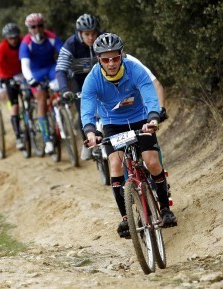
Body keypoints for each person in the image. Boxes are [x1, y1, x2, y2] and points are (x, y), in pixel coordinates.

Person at [81, 33, 177, 238]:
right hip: (112, 124)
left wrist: (153, 118)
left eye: (115, 58)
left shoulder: (134, 69)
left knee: (151, 162)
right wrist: (90, 132)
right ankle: (126, 219)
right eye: (106, 59)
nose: (111, 63)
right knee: (115, 164)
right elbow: (87, 110)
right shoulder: (92, 79)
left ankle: (166, 210)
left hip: (140, 119)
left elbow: (150, 95)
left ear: (121, 55)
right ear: (99, 59)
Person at [56, 13, 101, 161]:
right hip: (79, 80)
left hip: (100, 78)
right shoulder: (70, 45)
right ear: (79, 33)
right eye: (87, 34)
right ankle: (87, 142)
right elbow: (61, 69)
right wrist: (64, 90)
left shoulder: (102, 40)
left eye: (93, 33)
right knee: (84, 108)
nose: (91, 37)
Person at [19, 13, 63, 154]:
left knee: (61, 87)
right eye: (33, 27)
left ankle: (65, 114)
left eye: (40, 26)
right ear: (29, 28)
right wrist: (30, 80)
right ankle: (47, 139)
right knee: (42, 99)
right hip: (35, 72)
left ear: (44, 26)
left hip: (51, 68)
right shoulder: (26, 43)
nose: (37, 29)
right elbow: (24, 65)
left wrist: (66, 69)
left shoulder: (51, 37)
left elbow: (63, 53)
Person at [0, 23, 24, 150]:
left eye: (15, 37)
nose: (13, 40)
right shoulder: (2, 47)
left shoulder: (23, 42)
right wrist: (3, 77)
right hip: (9, 76)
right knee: (15, 105)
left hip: (24, 73)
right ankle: (18, 136)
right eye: (10, 38)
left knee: (34, 97)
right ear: (6, 38)